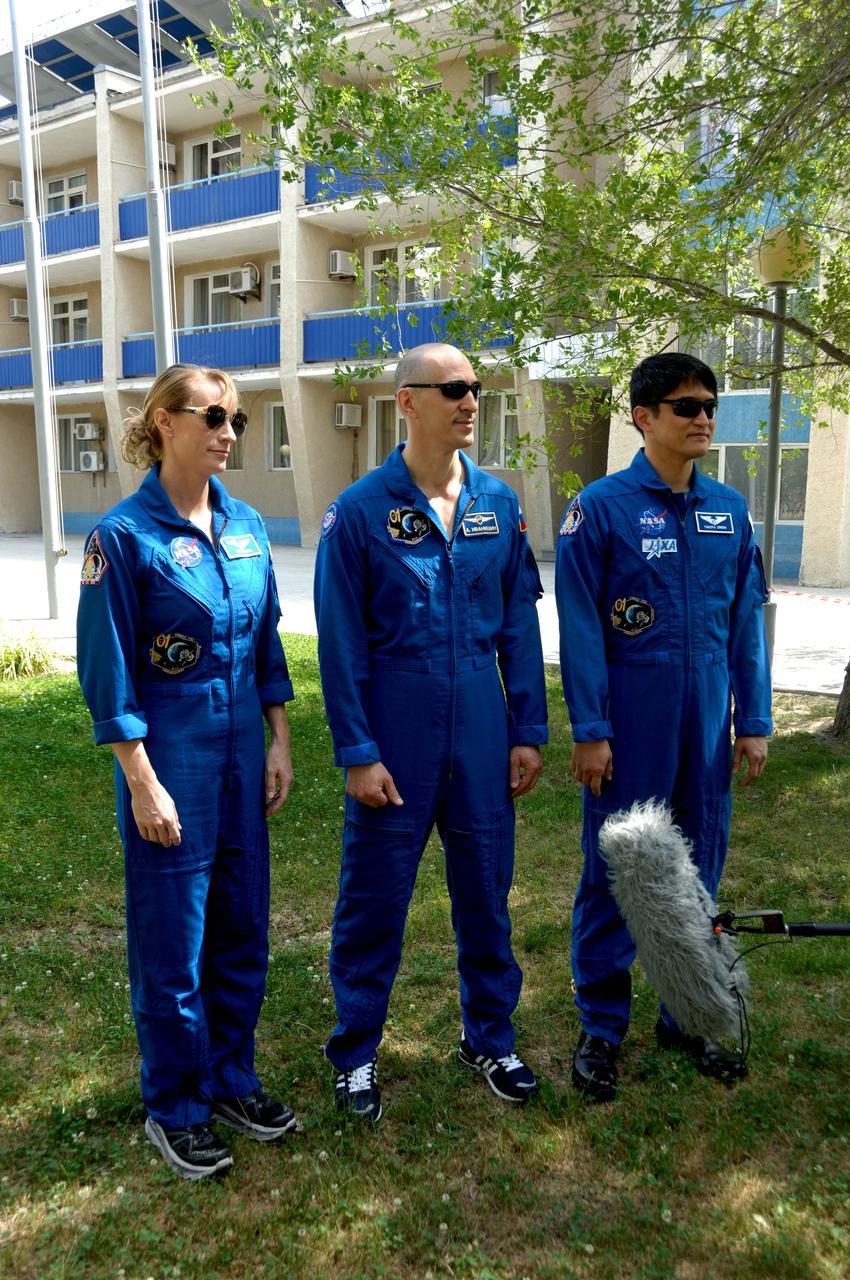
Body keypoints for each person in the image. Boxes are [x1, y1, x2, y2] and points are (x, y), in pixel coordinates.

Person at [313, 342, 548, 1121]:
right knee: (375, 901)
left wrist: (526, 728)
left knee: (486, 890)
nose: (470, 400)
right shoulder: (359, 511)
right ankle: (354, 1053)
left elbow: (517, 623)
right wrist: (357, 751)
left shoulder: (498, 504)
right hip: (398, 722)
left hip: (481, 721)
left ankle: (489, 1035)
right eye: (452, 388)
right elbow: (341, 646)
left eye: (476, 387)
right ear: (407, 402)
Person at [77, 363, 296, 1179]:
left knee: (243, 924)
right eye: (211, 415)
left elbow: (267, 642)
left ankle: (232, 1076)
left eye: (234, 418)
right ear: (163, 422)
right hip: (172, 753)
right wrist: (142, 778)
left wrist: (279, 738)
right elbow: (107, 674)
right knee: (174, 942)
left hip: (243, 746)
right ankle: (175, 1104)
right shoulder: (123, 538)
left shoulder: (245, 527)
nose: (228, 432)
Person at [555, 352, 772, 1102]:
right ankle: (601, 1028)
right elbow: (581, 626)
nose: (703, 417)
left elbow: (746, 622)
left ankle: (689, 1015)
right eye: (685, 406)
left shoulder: (730, 512)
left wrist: (756, 720)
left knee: (698, 865)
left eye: (709, 404)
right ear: (643, 417)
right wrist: (590, 727)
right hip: (633, 720)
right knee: (620, 870)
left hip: (707, 720)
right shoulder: (602, 509)